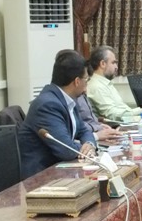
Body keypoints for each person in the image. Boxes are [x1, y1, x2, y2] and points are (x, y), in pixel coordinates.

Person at [17, 50, 97, 179]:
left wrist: (90, 144)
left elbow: (83, 130)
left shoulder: (68, 99)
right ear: (77, 81)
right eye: (86, 80)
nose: (86, 86)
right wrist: (85, 149)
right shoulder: (47, 105)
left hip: (60, 170)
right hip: (40, 177)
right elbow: (66, 150)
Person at [87, 45, 142, 122]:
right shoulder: (97, 86)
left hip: (127, 122)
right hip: (117, 126)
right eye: (113, 63)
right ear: (103, 64)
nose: (116, 67)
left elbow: (121, 110)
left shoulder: (105, 83)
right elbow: (113, 115)